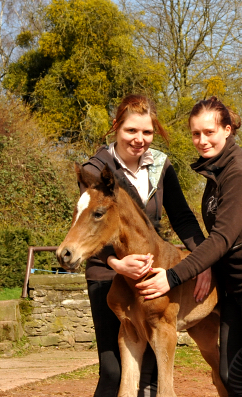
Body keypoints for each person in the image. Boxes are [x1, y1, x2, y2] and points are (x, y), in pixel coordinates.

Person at [136, 96, 242, 397]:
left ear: (226, 129)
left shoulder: (240, 172)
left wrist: (172, 277)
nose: (202, 140)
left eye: (209, 132)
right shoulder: (217, 172)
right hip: (237, 288)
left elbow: (222, 239)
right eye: (196, 133)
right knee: (231, 376)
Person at [81, 94, 211, 397]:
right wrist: (115, 262)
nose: (140, 139)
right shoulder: (95, 169)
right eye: (131, 131)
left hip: (150, 274)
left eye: (147, 132)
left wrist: (205, 257)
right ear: (116, 127)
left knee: (151, 372)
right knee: (114, 371)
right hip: (107, 273)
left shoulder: (161, 167)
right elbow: (84, 226)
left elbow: (182, 218)